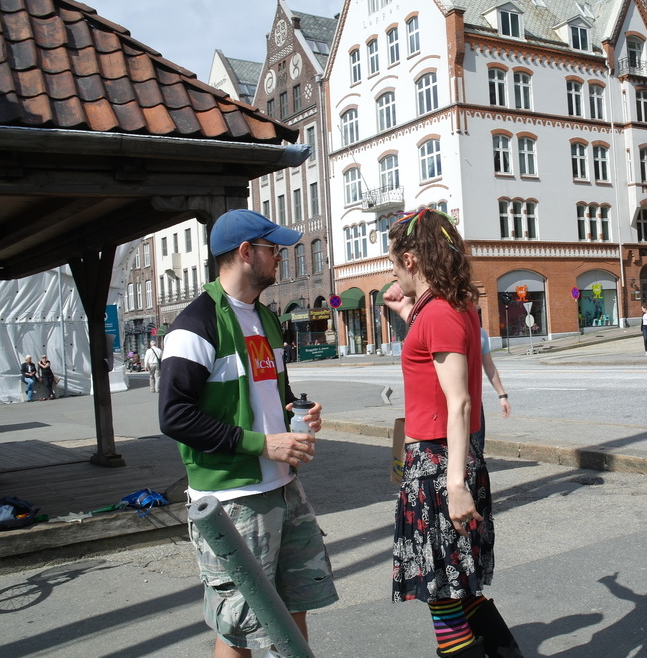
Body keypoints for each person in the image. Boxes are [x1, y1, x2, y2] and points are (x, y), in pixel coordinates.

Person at [158, 209, 338, 657]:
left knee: (293, 607)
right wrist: (262, 444)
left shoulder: (265, 318)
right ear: (244, 252)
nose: (280, 257)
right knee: (240, 627)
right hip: (232, 499)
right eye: (272, 249)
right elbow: (174, 417)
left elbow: (273, 393)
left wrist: (299, 412)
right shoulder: (193, 326)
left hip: (284, 487)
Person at [382, 208, 521, 658]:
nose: (393, 273)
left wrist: (456, 484)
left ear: (410, 260)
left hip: (438, 465)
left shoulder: (439, 312)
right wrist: (409, 313)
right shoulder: (452, 306)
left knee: (442, 590)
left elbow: (459, 402)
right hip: (442, 460)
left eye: (393, 263)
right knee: (458, 584)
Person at [475, 327, 511, 452]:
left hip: (474, 402)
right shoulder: (447, 327)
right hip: (449, 403)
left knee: (478, 448)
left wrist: (502, 396)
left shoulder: (480, 333)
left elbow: (489, 366)